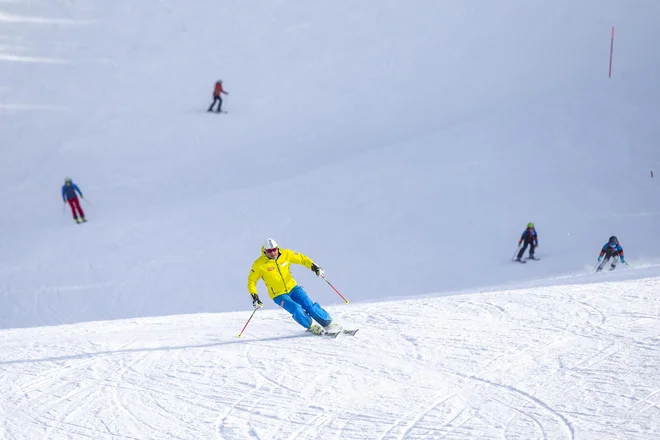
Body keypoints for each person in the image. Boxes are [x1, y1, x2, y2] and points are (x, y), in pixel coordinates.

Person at [247, 238, 340, 334]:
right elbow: (251, 281)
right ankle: (311, 326)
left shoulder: (285, 254)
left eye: (275, 249)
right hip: (278, 294)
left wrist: (314, 267)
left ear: (277, 248)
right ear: (265, 251)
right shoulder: (259, 264)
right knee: (296, 308)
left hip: (293, 288)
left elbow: (301, 259)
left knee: (309, 305)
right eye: (270, 251)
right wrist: (255, 297)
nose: (273, 253)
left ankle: (329, 324)